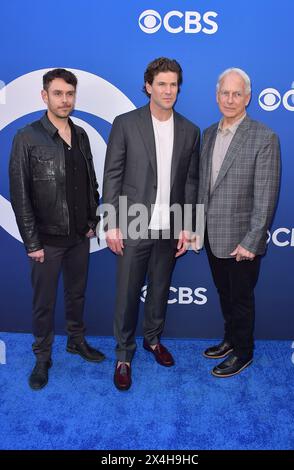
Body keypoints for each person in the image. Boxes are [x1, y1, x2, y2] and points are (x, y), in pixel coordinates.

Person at [102, 57, 200, 390]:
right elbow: (112, 174)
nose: (168, 90)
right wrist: (111, 222)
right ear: (148, 86)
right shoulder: (126, 123)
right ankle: (123, 354)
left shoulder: (190, 130)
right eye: (162, 84)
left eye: (174, 84)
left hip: (170, 226)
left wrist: (188, 225)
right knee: (128, 293)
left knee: (159, 288)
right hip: (132, 222)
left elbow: (190, 181)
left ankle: (153, 340)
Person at [9, 68, 105, 390]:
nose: (65, 100)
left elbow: (90, 183)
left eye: (70, 94)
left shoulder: (81, 135)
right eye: (58, 93)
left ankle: (76, 341)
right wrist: (32, 242)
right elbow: (20, 194)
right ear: (44, 96)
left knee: (77, 294)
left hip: (80, 237)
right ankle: (42, 356)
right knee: (44, 302)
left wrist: (92, 222)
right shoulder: (27, 137)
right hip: (46, 242)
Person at [197, 67, 280, 377]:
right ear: (217, 96)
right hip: (211, 235)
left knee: (241, 298)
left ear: (248, 97)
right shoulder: (207, 134)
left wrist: (252, 241)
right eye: (225, 93)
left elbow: (266, 195)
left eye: (236, 94)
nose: (230, 99)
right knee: (224, 293)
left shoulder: (264, 137)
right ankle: (231, 339)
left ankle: (244, 352)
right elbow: (204, 187)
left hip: (242, 239)